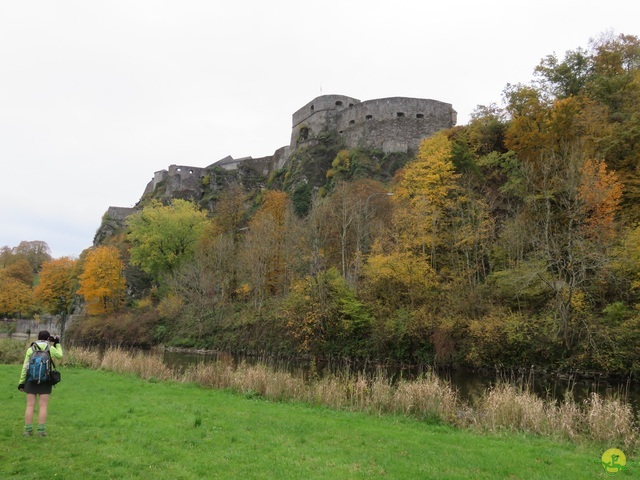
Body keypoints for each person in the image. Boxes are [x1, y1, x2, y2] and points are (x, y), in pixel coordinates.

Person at [17, 330, 63, 437]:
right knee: (43, 406)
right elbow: (60, 356)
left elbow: (25, 367)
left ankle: (28, 430)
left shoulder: (30, 349)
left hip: (30, 380)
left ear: (38, 338)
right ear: (48, 339)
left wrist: (21, 382)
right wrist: (57, 344)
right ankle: (41, 431)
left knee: (30, 405)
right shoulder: (50, 348)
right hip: (45, 380)